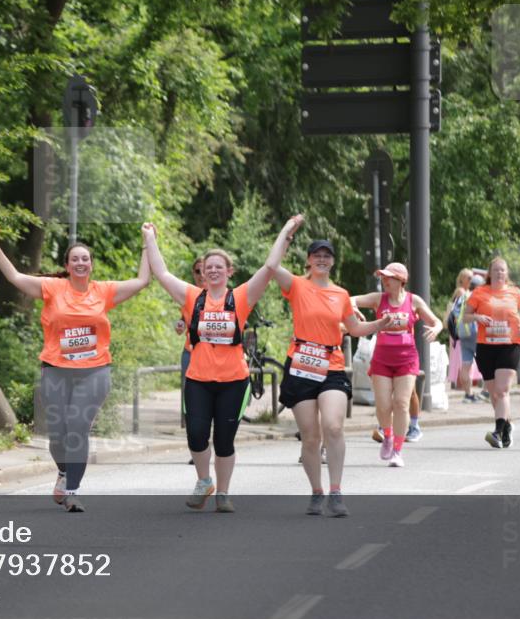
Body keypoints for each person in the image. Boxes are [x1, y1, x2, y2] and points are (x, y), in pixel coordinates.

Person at [0, 218, 150, 512]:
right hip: (56, 370)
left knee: (77, 428)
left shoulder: (104, 291)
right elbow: (14, 277)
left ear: (92, 265)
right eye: (76, 259)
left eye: (85, 258)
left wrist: (148, 244)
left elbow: (141, 281)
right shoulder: (52, 288)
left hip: (95, 371)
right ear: (68, 264)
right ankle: (63, 471)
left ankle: (73, 490)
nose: (81, 263)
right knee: (57, 436)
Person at [144, 216, 305, 512]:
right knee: (195, 434)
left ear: (229, 272)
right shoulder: (194, 297)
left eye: (219, 267)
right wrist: (150, 238)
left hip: (233, 381)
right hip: (198, 379)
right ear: (203, 274)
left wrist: (285, 231)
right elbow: (163, 273)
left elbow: (270, 268)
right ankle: (205, 481)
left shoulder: (240, 297)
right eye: (208, 268)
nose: (214, 270)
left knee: (224, 439)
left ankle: (224, 494)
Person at [273, 239, 392, 517]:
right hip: (302, 364)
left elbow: (354, 327)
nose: (322, 260)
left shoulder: (341, 294)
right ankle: (317, 491)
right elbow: (271, 265)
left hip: (331, 365)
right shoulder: (297, 285)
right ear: (309, 260)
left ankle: (336, 491)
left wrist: (380, 324)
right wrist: (288, 232)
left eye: (327, 256)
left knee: (333, 426)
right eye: (317, 255)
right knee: (311, 436)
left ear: (333, 261)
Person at [352, 263, 442, 467]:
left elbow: (437, 321)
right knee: (383, 406)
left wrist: (436, 329)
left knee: (401, 403)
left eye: (389, 277)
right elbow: (350, 299)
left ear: (401, 280)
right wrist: (354, 307)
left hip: (406, 359)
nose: (384, 280)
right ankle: (388, 436)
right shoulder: (378, 299)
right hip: (382, 359)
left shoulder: (413, 301)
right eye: (383, 277)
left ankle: (398, 451)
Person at [463, 257, 520, 448]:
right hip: (486, 346)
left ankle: (497, 431)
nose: (500, 273)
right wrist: (477, 316)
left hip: (510, 345)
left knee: (502, 391)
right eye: (496, 270)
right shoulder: (479, 292)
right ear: (489, 273)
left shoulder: (515, 292)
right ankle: (508, 425)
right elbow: (465, 317)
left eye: (503, 270)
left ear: (507, 273)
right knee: (494, 395)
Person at [175, 258, 206, 430]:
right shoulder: (187, 296)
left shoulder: (219, 294)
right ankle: (188, 425)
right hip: (189, 351)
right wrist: (179, 325)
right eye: (197, 271)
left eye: (204, 270)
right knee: (188, 391)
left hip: (210, 355)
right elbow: (183, 322)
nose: (201, 275)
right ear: (193, 274)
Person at [445, 268, 481, 402]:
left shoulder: (463, 293)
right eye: (469, 278)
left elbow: (453, 311)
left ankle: (468, 394)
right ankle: (485, 392)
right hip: (472, 331)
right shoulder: (465, 292)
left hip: (462, 332)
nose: (470, 280)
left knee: (466, 364)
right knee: (484, 361)